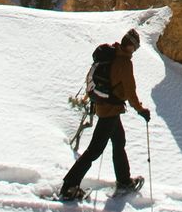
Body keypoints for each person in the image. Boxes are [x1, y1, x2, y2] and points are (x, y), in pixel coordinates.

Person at [60, 29, 150, 200]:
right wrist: (141, 110)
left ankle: (124, 180)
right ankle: (69, 186)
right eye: (135, 48)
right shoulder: (124, 63)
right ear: (130, 46)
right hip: (110, 111)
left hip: (105, 107)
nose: (134, 52)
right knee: (95, 150)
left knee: (119, 141)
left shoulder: (111, 53)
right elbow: (131, 93)